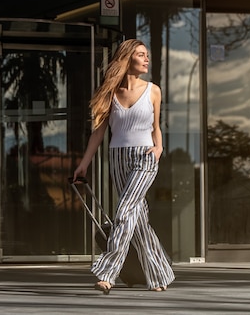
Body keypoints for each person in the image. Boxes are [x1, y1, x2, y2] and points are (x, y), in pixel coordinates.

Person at [73, 39, 175, 294]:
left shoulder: (153, 90)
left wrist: (159, 148)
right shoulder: (110, 92)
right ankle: (159, 274)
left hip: (145, 156)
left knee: (124, 211)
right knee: (137, 219)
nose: (146, 59)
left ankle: (108, 271)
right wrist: (83, 165)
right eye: (141, 55)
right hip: (117, 158)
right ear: (128, 59)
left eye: (147, 55)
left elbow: (156, 127)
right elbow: (97, 134)